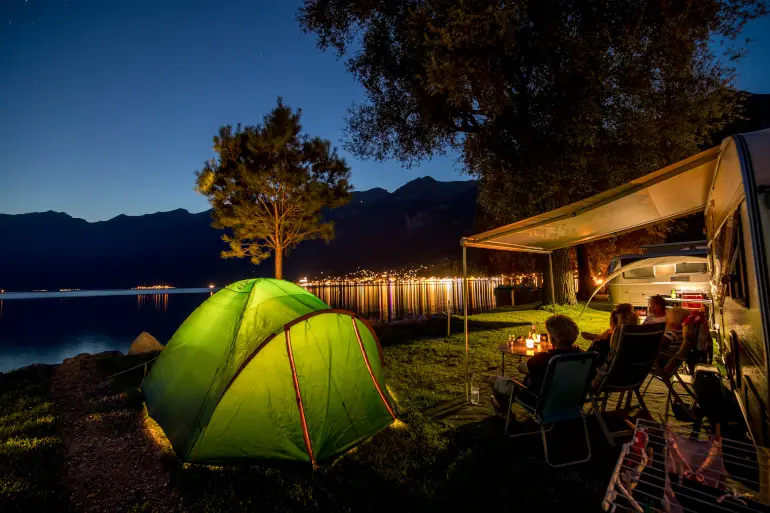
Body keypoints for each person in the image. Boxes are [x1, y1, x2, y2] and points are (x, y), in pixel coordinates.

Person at [488, 314, 582, 415]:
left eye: (549, 334)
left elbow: (521, 368)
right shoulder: (583, 357)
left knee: (493, 380)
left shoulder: (545, 359)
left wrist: (529, 361)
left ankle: (503, 411)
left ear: (554, 339)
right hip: (570, 400)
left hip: (537, 400)